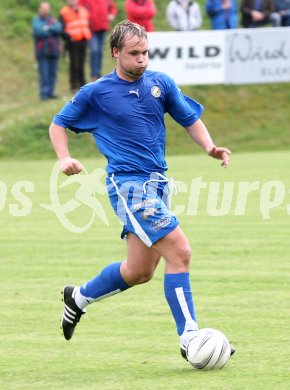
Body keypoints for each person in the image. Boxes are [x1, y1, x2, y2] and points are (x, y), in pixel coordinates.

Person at [49, 20, 235, 361]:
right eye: (134, 54)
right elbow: (58, 123)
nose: (143, 60)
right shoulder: (96, 93)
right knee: (180, 251)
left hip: (158, 183)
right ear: (116, 53)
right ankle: (190, 336)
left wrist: (209, 147)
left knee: (139, 271)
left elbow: (188, 118)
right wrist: (65, 159)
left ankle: (78, 298)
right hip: (128, 186)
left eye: (146, 53)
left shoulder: (160, 83)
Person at [79, 0, 118, 81]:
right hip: (91, 28)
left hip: (103, 28)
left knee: (100, 51)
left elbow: (113, 8)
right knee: (94, 50)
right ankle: (93, 75)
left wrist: (112, 15)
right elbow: (80, 8)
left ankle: (98, 74)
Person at [59, 0, 92, 92]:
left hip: (83, 39)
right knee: (74, 63)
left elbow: (88, 23)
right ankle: (73, 85)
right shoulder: (64, 12)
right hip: (72, 42)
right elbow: (61, 28)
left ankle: (82, 83)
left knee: (81, 62)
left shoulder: (83, 10)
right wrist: (68, 38)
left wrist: (88, 34)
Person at [32, 2, 62, 100]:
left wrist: (47, 28)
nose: (45, 10)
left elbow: (59, 28)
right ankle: (44, 94)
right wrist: (50, 30)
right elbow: (38, 31)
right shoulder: (36, 20)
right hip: (42, 52)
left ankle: (50, 92)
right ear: (40, 9)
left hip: (54, 51)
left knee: (53, 73)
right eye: (43, 8)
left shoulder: (52, 20)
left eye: (47, 8)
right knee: (44, 74)